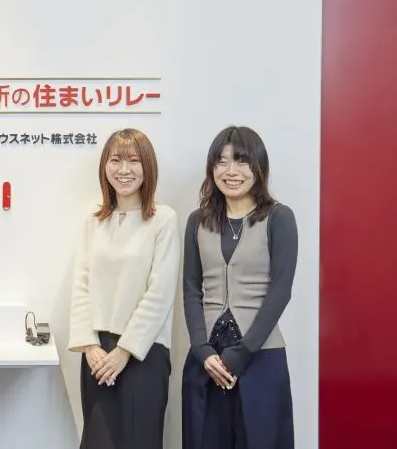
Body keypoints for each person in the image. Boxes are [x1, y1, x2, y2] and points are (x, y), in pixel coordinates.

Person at [181, 125, 298, 449]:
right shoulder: (197, 221)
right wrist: (202, 350)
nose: (231, 171)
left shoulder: (279, 218)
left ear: (258, 166)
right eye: (222, 162)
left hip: (261, 356)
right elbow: (191, 289)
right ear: (211, 168)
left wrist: (243, 352)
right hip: (206, 360)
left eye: (241, 161)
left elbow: (280, 291)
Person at [67, 128, 181, 449]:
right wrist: (90, 347)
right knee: (97, 441)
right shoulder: (93, 220)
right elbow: (81, 285)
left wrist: (124, 351)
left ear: (148, 166)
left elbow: (160, 293)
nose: (124, 170)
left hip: (144, 353)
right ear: (105, 166)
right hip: (97, 355)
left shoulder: (163, 219)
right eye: (115, 160)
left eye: (133, 160)